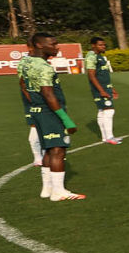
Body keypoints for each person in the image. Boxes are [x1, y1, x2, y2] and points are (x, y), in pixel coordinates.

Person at [18, 32, 84, 201]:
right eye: (53, 44)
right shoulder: (44, 67)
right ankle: (59, 192)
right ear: (40, 45)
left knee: (48, 149)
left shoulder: (25, 61)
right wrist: (66, 119)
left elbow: (23, 84)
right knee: (57, 150)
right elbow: (48, 94)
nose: (57, 47)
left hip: (37, 111)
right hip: (49, 112)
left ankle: (47, 189)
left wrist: (34, 103)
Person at [85, 36, 120, 144]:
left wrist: (111, 88)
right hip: (100, 89)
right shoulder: (91, 56)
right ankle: (110, 137)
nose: (103, 46)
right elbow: (91, 75)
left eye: (104, 44)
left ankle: (105, 137)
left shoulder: (100, 57)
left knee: (102, 111)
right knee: (109, 110)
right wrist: (101, 91)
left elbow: (103, 75)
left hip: (105, 87)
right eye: (100, 45)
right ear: (93, 45)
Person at [19, 37, 43, 167]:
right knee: (34, 126)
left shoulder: (41, 60)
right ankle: (37, 157)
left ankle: (44, 154)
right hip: (33, 100)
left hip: (43, 98)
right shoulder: (25, 62)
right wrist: (32, 100)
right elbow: (22, 83)